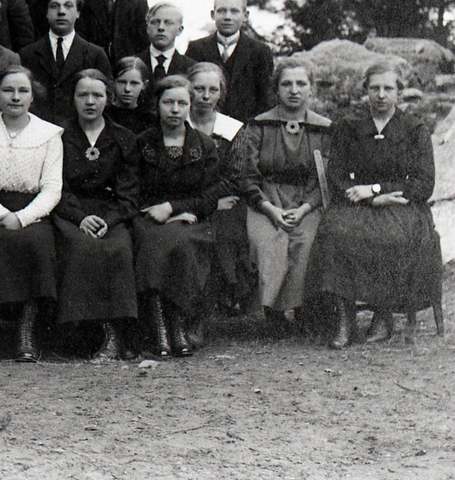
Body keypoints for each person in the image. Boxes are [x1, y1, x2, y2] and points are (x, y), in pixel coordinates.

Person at [310, 59, 440, 350]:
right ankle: (345, 319)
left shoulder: (414, 128)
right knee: (335, 233)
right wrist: (368, 196)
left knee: (391, 237)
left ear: (399, 92)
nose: (381, 95)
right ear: (366, 91)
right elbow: (337, 175)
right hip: (357, 202)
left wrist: (380, 190)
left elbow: (424, 183)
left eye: (388, 88)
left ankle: (383, 314)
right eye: (375, 88)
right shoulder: (350, 126)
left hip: (400, 203)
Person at [0, 65, 64, 362]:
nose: (16, 97)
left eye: (23, 91)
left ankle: (26, 330)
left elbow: (52, 187)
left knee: (38, 243)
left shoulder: (49, 134)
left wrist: (21, 217)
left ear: (33, 97)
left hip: (32, 210)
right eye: (8, 90)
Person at [238, 58, 332, 332]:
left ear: (311, 89)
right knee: (269, 240)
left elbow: (323, 178)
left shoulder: (323, 128)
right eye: (286, 84)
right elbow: (248, 175)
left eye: (301, 83)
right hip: (266, 200)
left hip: (307, 201)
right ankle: (274, 312)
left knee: (307, 240)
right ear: (276, 89)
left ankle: (305, 308)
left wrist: (304, 209)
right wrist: (270, 209)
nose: (294, 90)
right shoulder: (259, 125)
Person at [53, 70, 141, 360]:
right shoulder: (59, 135)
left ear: (109, 98)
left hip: (111, 215)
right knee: (79, 247)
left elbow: (129, 193)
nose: (90, 102)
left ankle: (114, 334)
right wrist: (79, 218)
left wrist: (110, 219)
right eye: (83, 95)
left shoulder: (124, 138)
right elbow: (55, 185)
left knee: (117, 249)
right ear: (73, 99)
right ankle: (78, 334)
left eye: (98, 95)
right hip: (70, 213)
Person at [132, 75, 221, 358]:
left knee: (182, 245)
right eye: (168, 102)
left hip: (190, 219)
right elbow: (132, 189)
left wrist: (174, 207)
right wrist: (158, 211)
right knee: (154, 244)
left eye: (182, 103)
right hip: (148, 218)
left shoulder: (204, 146)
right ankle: (159, 328)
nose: (174, 109)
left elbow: (210, 196)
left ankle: (177, 324)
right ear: (156, 105)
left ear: (190, 107)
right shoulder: (142, 143)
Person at [187, 63, 253, 338]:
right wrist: (201, 204)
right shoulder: (177, 123)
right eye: (199, 89)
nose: (205, 95)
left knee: (221, 232)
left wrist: (210, 203)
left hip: (223, 201)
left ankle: (203, 316)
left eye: (212, 90)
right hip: (186, 202)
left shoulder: (232, 129)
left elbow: (235, 176)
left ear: (220, 93)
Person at [19, 0, 111, 126]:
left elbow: (106, 101)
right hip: (39, 132)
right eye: (55, 6)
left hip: (79, 133)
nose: (61, 12)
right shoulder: (28, 54)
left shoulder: (95, 54)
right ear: (46, 13)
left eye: (68, 6)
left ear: (78, 13)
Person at [185, 0, 274, 122]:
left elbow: (265, 98)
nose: (227, 17)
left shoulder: (260, 51)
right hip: (203, 127)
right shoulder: (196, 48)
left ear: (245, 15)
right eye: (221, 11)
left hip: (245, 128)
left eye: (234, 11)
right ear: (212, 14)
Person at [138, 3, 196, 83]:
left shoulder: (191, 68)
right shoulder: (135, 64)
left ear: (179, 30)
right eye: (155, 22)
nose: (161, 27)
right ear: (147, 28)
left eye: (168, 23)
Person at [105, 57, 156, 135]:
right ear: (113, 82)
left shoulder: (149, 119)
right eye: (122, 82)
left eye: (134, 83)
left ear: (144, 85)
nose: (127, 89)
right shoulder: (104, 115)